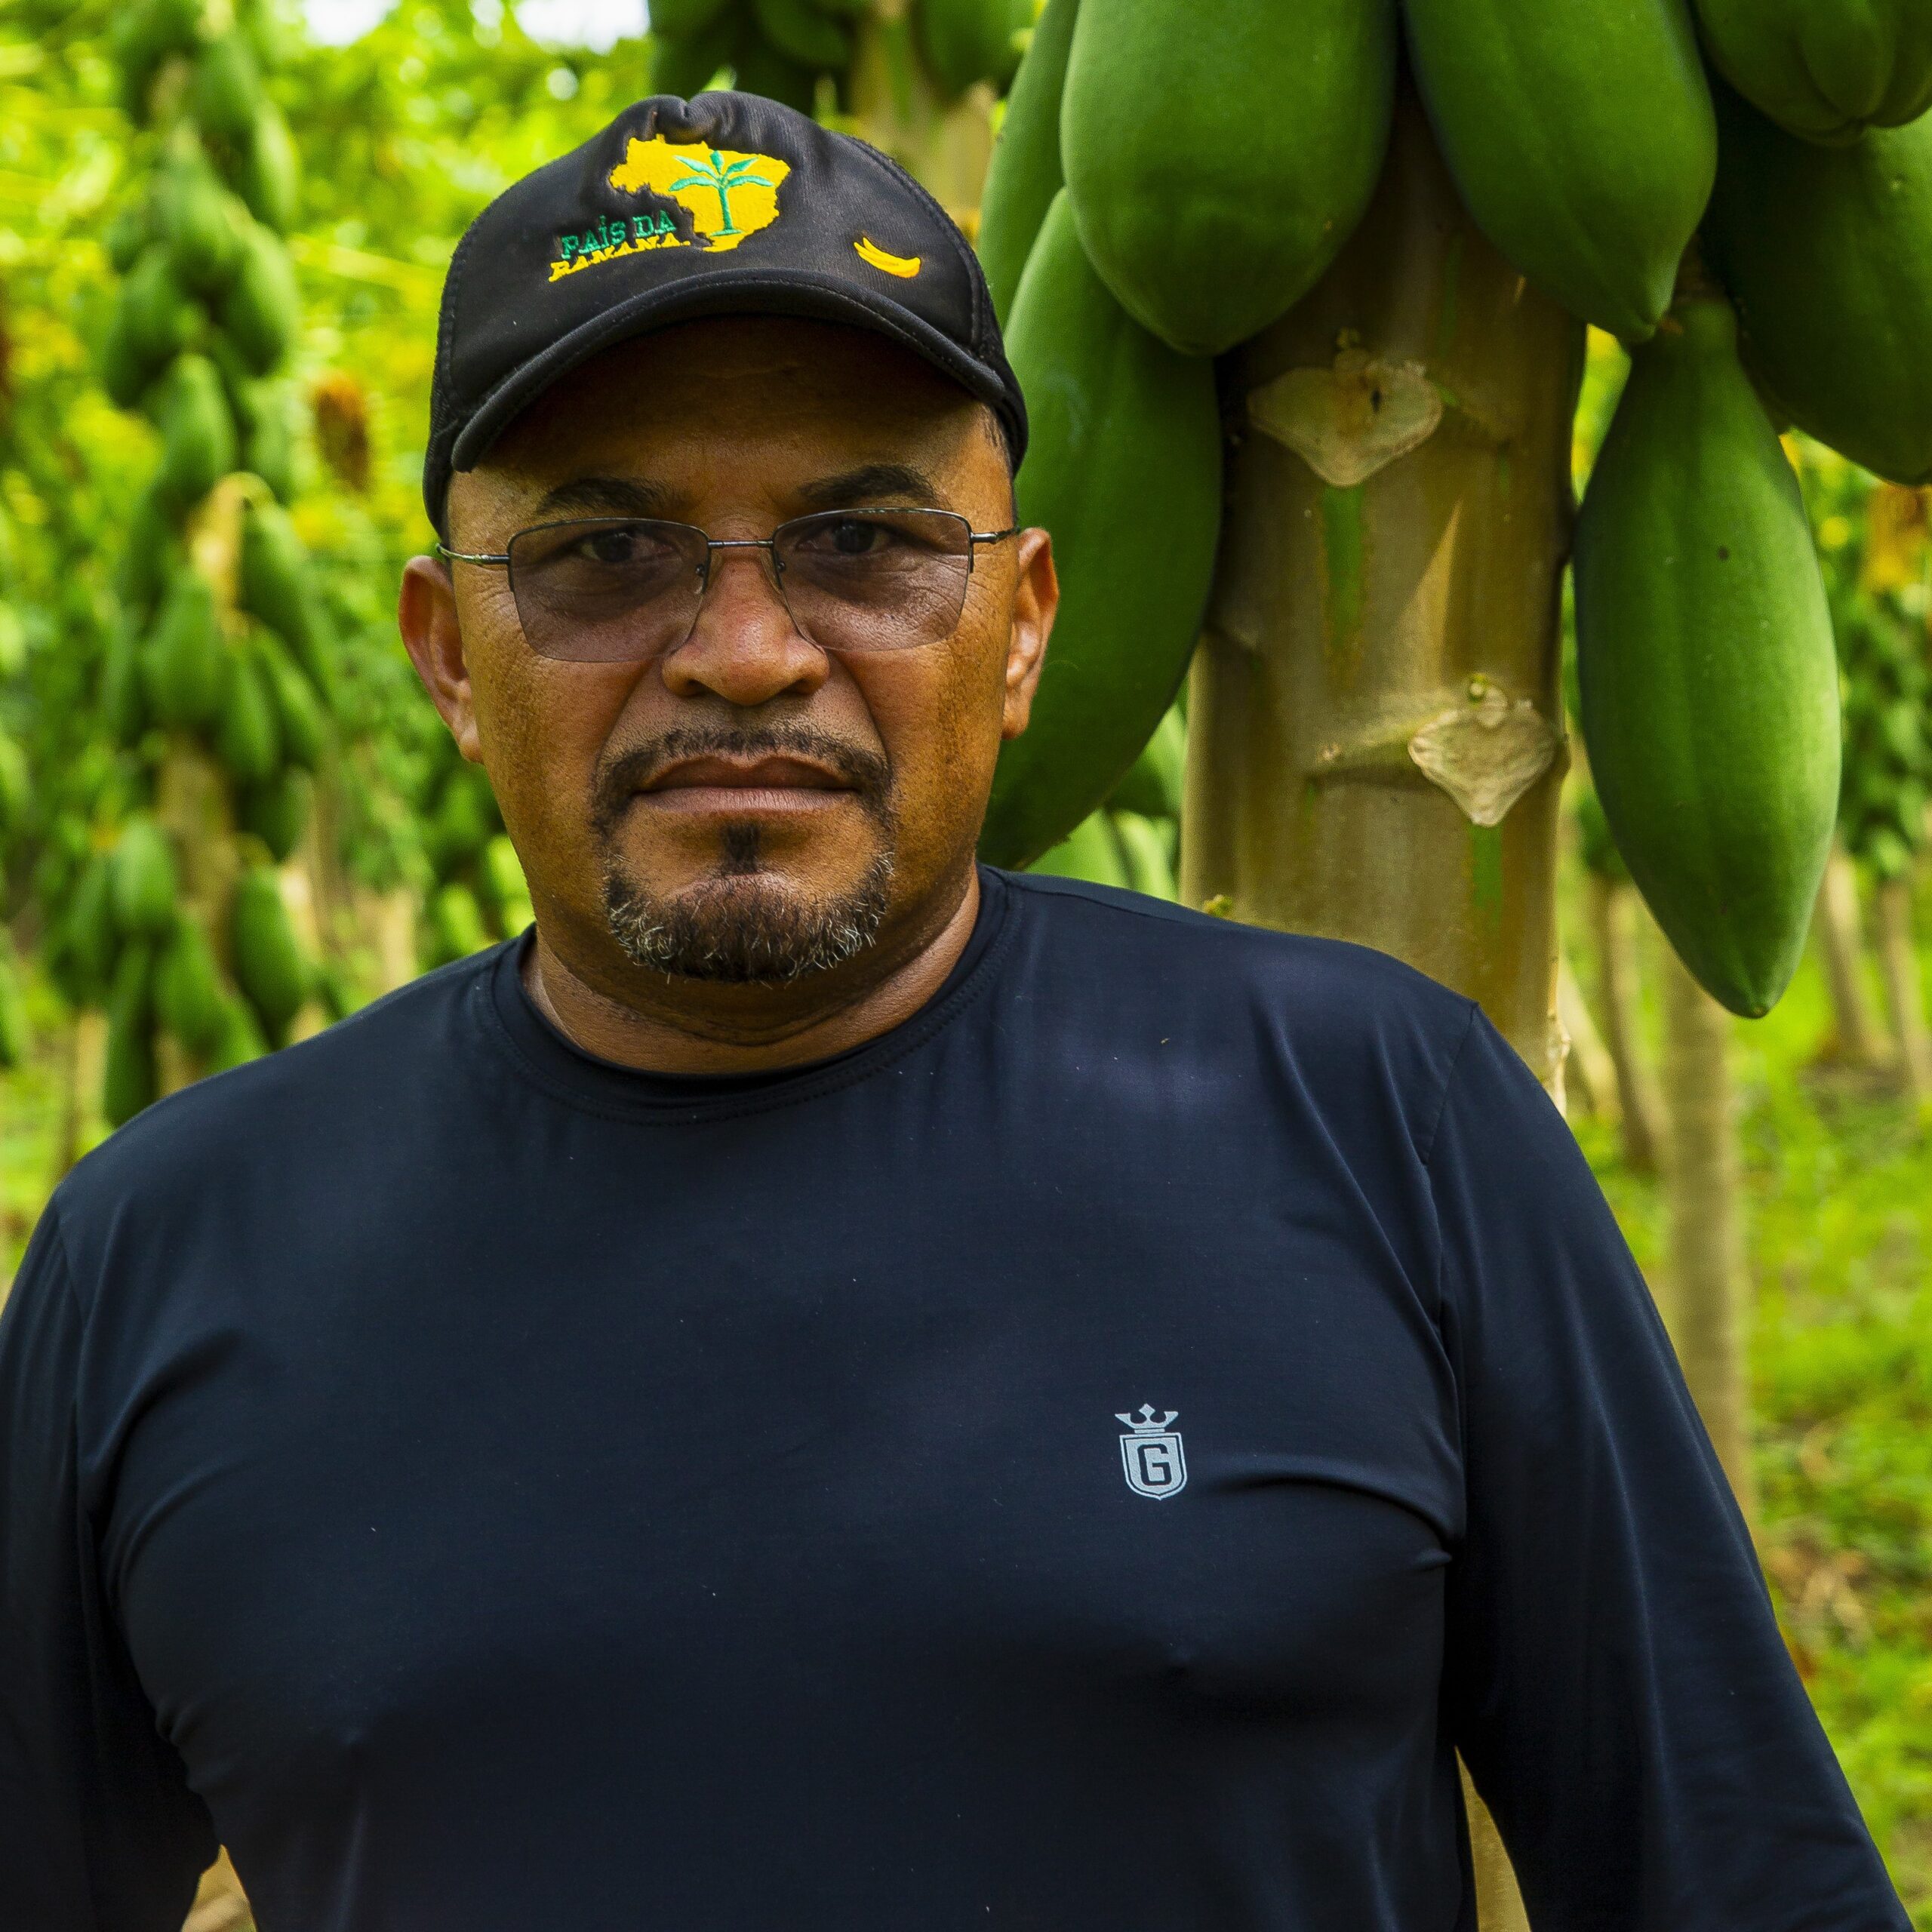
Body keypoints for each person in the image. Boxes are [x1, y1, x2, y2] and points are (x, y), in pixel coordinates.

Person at [0, 89, 1909, 1932]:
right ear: (443, 649)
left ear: (1019, 628)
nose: (745, 654)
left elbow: (1728, 1871)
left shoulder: (1387, 1118)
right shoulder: (163, 1251)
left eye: (865, 545)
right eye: (602, 557)